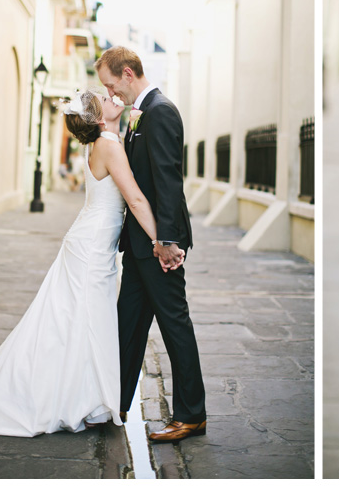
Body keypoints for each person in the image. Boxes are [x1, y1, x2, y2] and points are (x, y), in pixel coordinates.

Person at [0, 89, 159, 436]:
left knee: (76, 319)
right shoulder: (108, 145)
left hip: (89, 242)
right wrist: (161, 241)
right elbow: (133, 198)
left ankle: (85, 396)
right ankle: (77, 399)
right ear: (98, 116)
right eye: (104, 97)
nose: (111, 95)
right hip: (90, 248)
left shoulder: (103, 142)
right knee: (84, 318)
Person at [96, 46, 206, 442]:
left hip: (158, 245)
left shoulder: (160, 111)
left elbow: (167, 180)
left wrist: (166, 240)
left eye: (112, 85)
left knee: (175, 325)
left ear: (128, 73)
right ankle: (116, 403)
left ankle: (192, 415)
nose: (112, 94)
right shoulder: (140, 112)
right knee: (128, 326)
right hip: (140, 245)